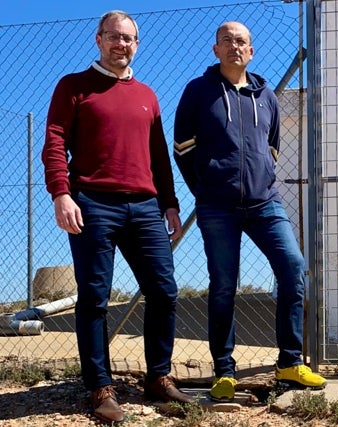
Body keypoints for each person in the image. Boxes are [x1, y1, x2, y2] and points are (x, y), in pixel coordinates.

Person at [41, 10, 194, 424]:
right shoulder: (74, 87)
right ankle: (100, 388)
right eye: (114, 36)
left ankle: (158, 379)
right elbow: (54, 141)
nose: (121, 44)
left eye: (129, 38)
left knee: (164, 291)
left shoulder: (147, 94)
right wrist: (61, 194)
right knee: (95, 297)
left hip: (146, 208)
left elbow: (159, 155)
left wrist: (170, 202)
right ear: (98, 39)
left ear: (137, 44)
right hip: (92, 204)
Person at [173, 21, 326, 401]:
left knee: (292, 268)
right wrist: (207, 188)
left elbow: (271, 149)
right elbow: (182, 149)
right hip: (217, 206)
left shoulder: (267, 96)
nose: (233, 47)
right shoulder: (198, 91)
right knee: (224, 285)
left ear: (251, 51)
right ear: (215, 49)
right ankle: (224, 371)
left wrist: (258, 180)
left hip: (265, 203)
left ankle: (290, 363)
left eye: (241, 41)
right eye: (225, 40)